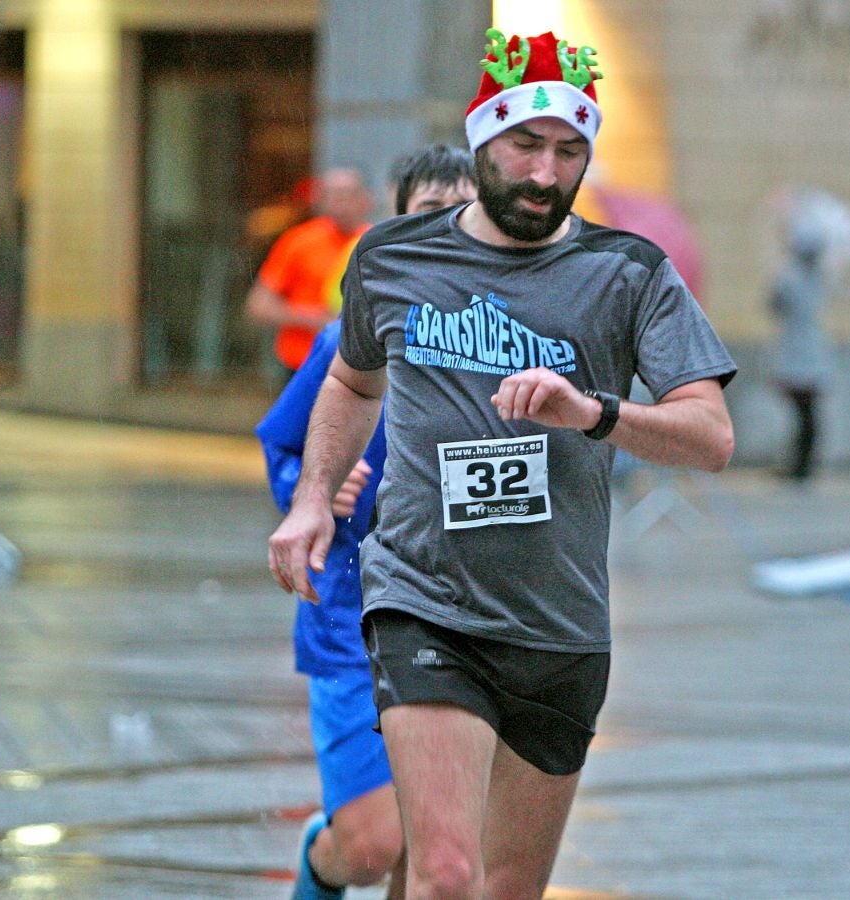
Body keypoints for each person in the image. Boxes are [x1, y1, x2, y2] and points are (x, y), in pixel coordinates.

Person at [266, 28, 735, 900]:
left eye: (568, 152)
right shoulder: (393, 256)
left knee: (503, 890)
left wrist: (592, 411)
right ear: (483, 137)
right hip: (424, 601)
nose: (545, 175)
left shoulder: (626, 272)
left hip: (557, 622)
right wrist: (312, 502)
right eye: (525, 146)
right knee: (443, 873)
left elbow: (709, 436)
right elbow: (350, 380)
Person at [259, 148, 477, 900]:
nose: (447, 232)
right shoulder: (350, 336)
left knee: (432, 846)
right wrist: (313, 488)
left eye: (463, 213)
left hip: (462, 623)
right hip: (353, 621)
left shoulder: (498, 345)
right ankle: (321, 861)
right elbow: (281, 445)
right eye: (427, 216)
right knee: (374, 843)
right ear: (398, 222)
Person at [247, 166, 374, 373]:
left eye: (348, 194)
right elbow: (258, 306)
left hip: (357, 368)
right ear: (320, 199)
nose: (340, 202)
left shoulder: (377, 245)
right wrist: (317, 320)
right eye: (332, 194)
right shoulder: (299, 241)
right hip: (300, 366)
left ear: (367, 199)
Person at [768, 227, 829, 481]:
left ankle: (800, 464)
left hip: (800, 352)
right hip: (805, 350)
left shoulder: (790, 277)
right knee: (805, 414)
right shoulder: (816, 277)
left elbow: (774, 304)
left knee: (804, 415)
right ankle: (800, 462)